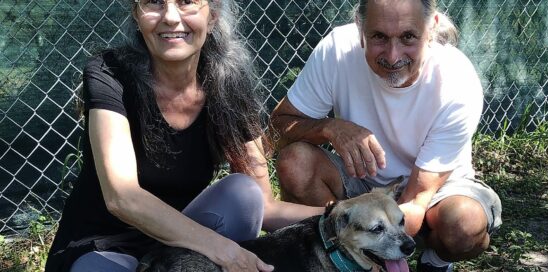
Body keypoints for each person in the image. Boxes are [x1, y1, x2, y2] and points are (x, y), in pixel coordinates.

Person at [45, 0, 322, 271]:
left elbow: (265, 206)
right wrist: (224, 250)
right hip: (105, 247)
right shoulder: (109, 72)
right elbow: (123, 198)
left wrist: (344, 214)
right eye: (154, 2)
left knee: (243, 193)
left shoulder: (230, 83)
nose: (170, 17)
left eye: (187, 2)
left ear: (212, 16)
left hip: (179, 245)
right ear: (137, 16)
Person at [271, 0, 503, 271]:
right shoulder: (336, 50)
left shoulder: (456, 80)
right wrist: (330, 127)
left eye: (408, 37)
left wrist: (380, 225)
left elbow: (415, 203)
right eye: (379, 37)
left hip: (435, 192)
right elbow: (279, 127)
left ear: (432, 28)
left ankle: (435, 262)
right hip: (359, 181)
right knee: (295, 162)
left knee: (464, 223)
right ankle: (342, 255)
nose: (393, 57)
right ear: (360, 27)